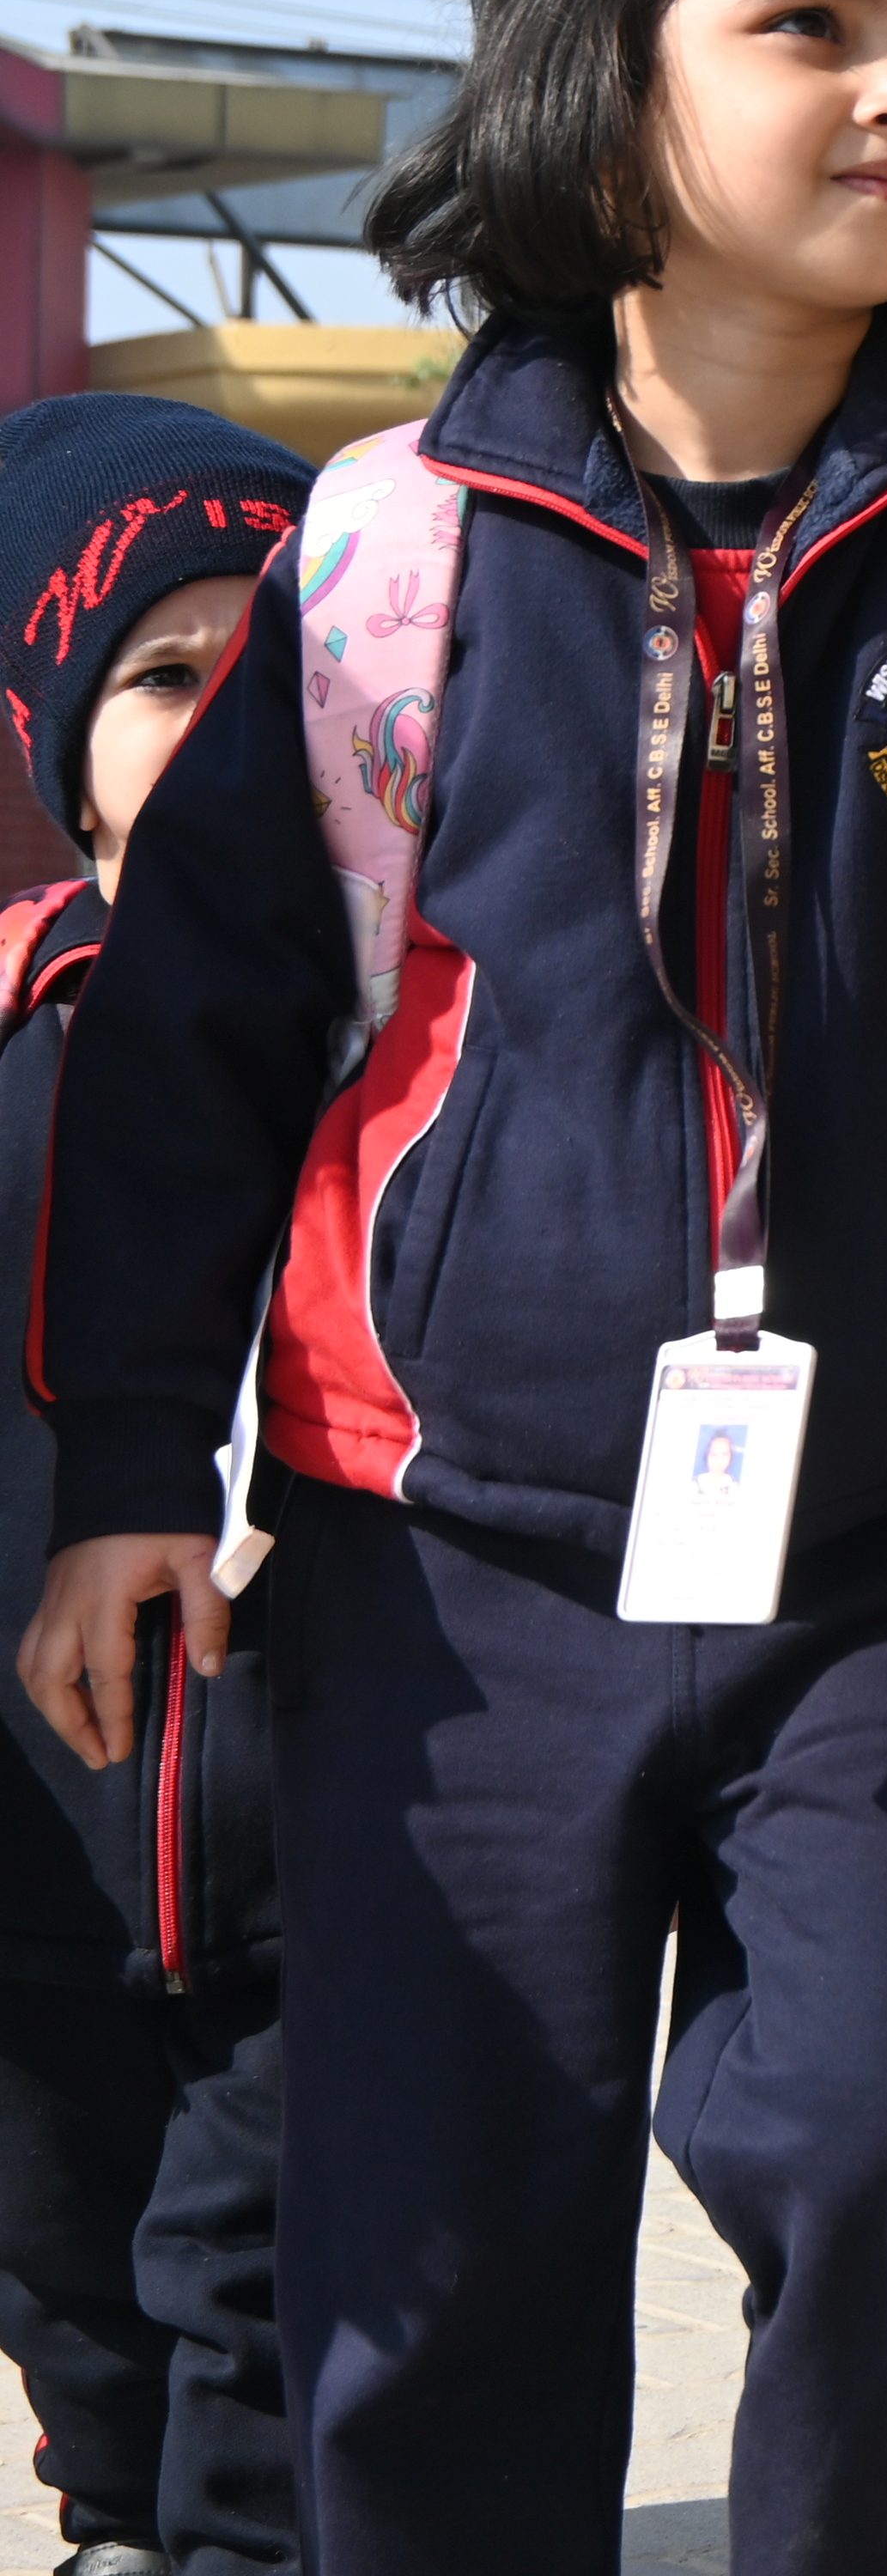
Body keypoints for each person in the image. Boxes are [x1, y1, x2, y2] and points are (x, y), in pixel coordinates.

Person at [19, 0, 887, 2576]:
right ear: (600, 102)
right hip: (445, 1574)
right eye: (814, 26)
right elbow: (192, 1062)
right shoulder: (388, 565)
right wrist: (134, 1468)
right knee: (436, 2267)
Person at [0, 393, 310, 2576]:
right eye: (164, 674)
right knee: (59, 2227)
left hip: (336, 1790)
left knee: (265, 2242)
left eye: (275, 661)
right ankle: (118, 2514)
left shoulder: (424, 1010)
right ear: (63, 742)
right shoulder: (16, 1011)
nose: (227, 712)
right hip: (34, 1807)